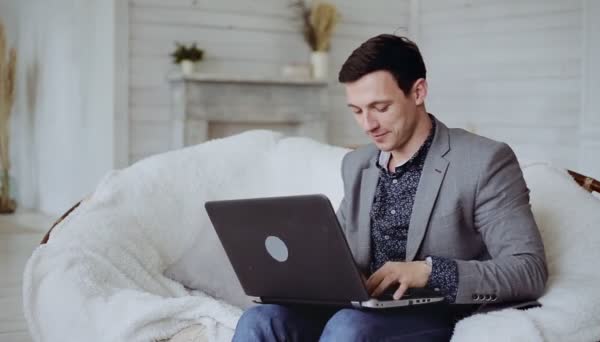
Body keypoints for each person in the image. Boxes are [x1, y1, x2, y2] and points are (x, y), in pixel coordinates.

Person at [232, 34, 548, 342]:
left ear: (419, 91)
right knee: (261, 319)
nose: (368, 124)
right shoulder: (357, 164)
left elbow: (528, 269)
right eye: (356, 111)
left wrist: (428, 271)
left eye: (380, 107)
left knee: (350, 327)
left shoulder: (484, 161)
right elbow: (340, 249)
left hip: (437, 313)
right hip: (360, 307)